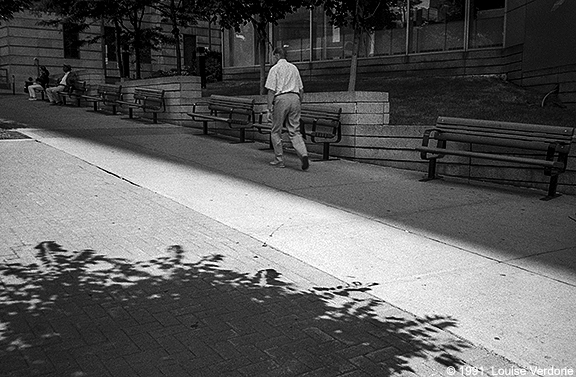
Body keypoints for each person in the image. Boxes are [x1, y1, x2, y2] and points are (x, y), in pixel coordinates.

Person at [264, 46, 309, 171]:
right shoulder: (294, 68)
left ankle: (279, 160)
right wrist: (299, 102)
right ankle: (303, 154)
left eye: (273, 56)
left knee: (275, 130)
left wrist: (269, 108)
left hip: (281, 99)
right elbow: (301, 89)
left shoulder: (275, 69)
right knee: (295, 131)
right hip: (295, 98)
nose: (273, 59)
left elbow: (271, 90)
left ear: (277, 55)